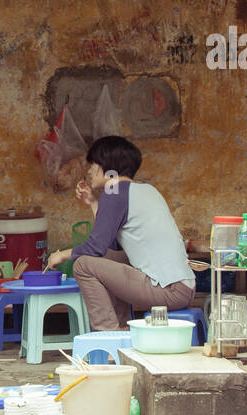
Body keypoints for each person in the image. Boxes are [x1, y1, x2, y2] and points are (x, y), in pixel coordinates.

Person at [45, 136, 194, 330]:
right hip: (182, 287)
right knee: (108, 258)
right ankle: (122, 327)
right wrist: (93, 202)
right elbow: (111, 245)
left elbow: (95, 247)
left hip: (167, 291)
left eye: (92, 165)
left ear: (105, 166)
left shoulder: (114, 192)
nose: (89, 171)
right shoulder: (145, 190)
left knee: (82, 265)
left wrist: (61, 255)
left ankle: (109, 336)